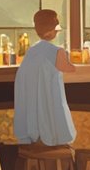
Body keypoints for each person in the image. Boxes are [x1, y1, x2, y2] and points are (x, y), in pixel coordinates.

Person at [14, 9, 76, 146]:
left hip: (29, 126)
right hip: (49, 122)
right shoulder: (56, 51)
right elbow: (70, 69)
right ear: (53, 30)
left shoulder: (31, 52)